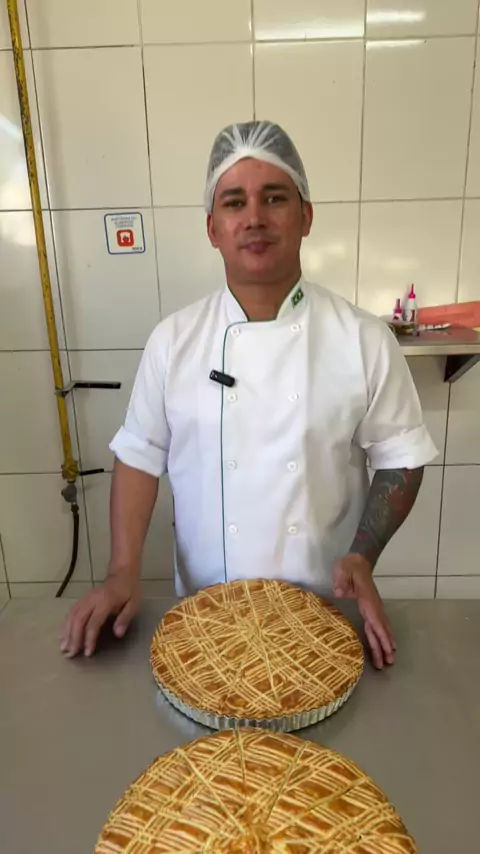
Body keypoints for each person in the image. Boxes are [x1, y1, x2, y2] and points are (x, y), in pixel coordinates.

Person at [61, 121, 437, 668]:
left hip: (324, 618)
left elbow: (401, 455)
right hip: (205, 620)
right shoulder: (174, 340)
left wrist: (363, 555)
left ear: (306, 216)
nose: (254, 217)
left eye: (275, 198)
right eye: (234, 202)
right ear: (212, 228)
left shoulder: (362, 338)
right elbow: (140, 456)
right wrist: (122, 571)